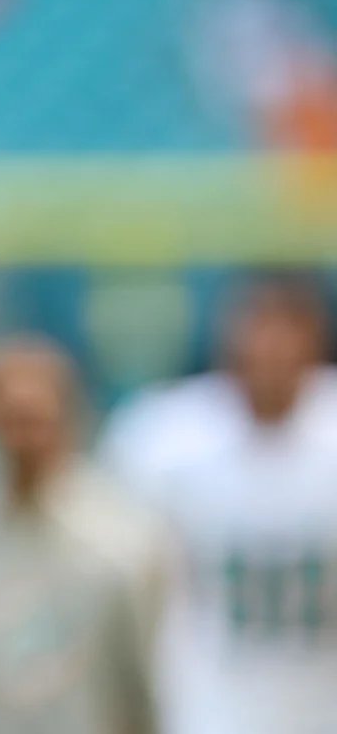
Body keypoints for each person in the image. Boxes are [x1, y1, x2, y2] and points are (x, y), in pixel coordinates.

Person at [101, 274, 337, 734]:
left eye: (289, 329)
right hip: (209, 706)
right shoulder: (165, 439)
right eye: (259, 327)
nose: (272, 349)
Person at [0, 337, 162, 734]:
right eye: (11, 420)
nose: (23, 440)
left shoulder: (123, 546)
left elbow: (141, 688)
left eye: (35, 420)